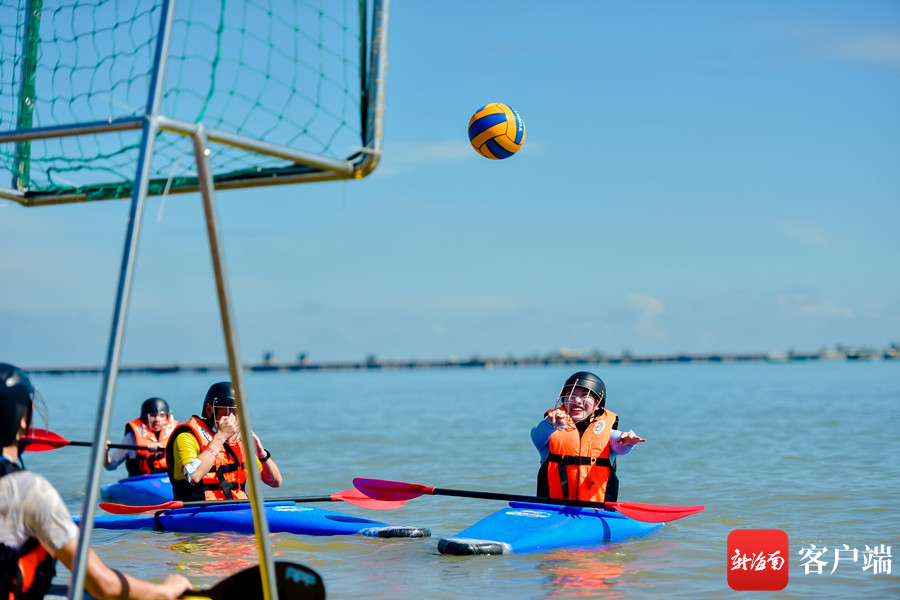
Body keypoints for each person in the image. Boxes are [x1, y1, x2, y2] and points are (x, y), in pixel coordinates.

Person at [0, 362, 191, 600]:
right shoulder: (29, 490)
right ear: (23, 420)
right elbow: (104, 585)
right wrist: (166, 590)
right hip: (140, 483)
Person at [531, 371, 646, 503]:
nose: (577, 400)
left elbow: (619, 445)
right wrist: (549, 424)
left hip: (595, 512)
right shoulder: (550, 430)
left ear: (598, 404)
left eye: (585, 396)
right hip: (552, 510)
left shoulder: (607, 433)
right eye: (571, 395)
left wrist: (627, 441)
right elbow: (536, 436)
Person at [166, 382, 282, 501]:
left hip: (236, 508)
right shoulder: (187, 436)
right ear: (209, 409)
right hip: (198, 510)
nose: (235, 417)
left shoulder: (238, 440)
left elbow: (275, 482)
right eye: (230, 411)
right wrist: (220, 437)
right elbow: (194, 476)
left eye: (238, 412)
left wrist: (260, 452)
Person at [104, 397, 178, 477]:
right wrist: (105, 452)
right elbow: (111, 465)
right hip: (140, 482)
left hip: (167, 481)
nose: (157, 419)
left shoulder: (176, 435)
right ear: (145, 417)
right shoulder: (132, 438)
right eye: (152, 416)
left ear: (167, 417)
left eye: (162, 415)